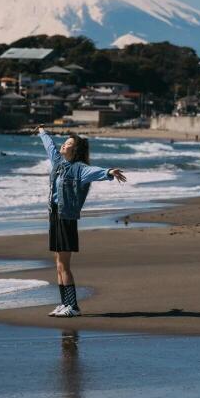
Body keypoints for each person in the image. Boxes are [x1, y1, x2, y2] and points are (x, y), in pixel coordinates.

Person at [37, 126, 127, 317]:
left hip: (66, 217)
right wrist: (43, 132)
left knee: (64, 263)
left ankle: (73, 306)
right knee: (58, 262)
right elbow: (50, 147)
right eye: (65, 142)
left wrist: (109, 171)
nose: (64, 145)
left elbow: (96, 171)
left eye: (69, 143)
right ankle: (64, 304)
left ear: (75, 150)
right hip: (54, 215)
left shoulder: (79, 169)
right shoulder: (58, 162)